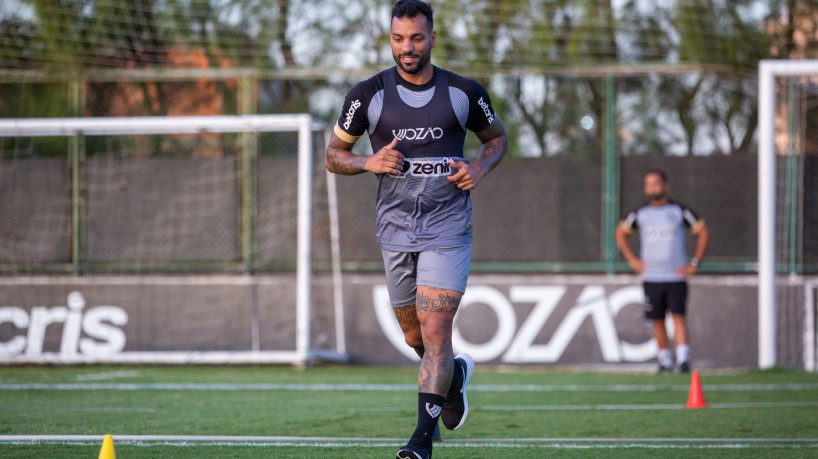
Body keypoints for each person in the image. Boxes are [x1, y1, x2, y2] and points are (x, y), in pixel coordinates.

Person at [325, 1, 508, 457]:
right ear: (390, 38)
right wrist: (367, 161)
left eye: (417, 38)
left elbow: (496, 139)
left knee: (436, 331)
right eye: (398, 38)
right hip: (394, 229)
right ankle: (453, 382)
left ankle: (421, 441)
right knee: (414, 336)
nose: (407, 48)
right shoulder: (367, 95)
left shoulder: (464, 92)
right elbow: (332, 154)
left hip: (448, 226)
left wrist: (480, 170)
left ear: (431, 37)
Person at [615, 170, 710, 373]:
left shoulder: (679, 211)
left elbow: (703, 231)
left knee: (678, 316)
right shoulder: (640, 213)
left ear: (665, 185)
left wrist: (694, 262)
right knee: (657, 319)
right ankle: (664, 361)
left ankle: (683, 360)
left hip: (676, 276)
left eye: (656, 184)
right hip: (651, 277)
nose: (652, 188)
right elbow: (620, 233)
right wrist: (633, 260)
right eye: (648, 184)